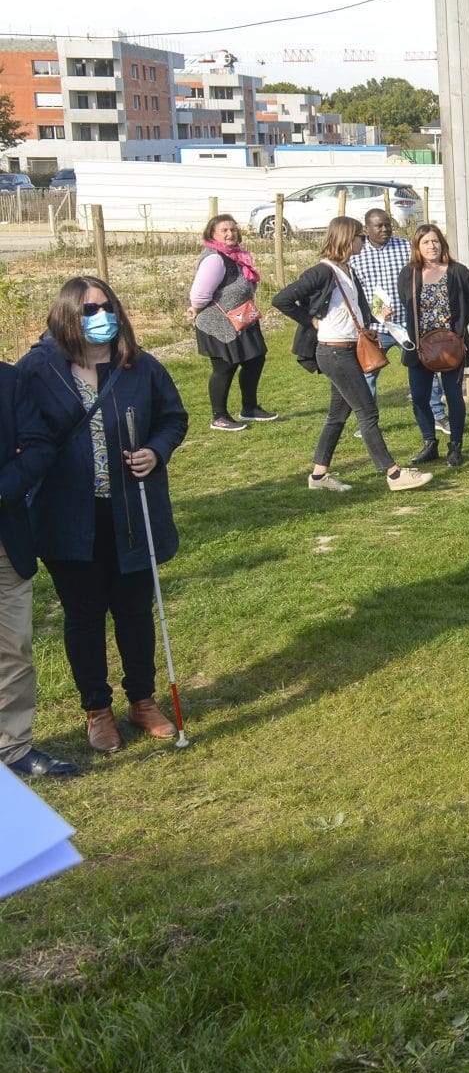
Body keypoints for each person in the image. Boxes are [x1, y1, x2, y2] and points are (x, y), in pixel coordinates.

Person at [17, 278, 188, 754]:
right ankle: (97, 708)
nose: (100, 315)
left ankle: (143, 700)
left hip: (132, 511)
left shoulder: (141, 367)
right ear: (67, 315)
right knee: (84, 614)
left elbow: (174, 418)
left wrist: (156, 450)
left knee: (135, 610)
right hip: (68, 517)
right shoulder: (36, 371)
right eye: (89, 308)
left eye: (107, 306)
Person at [272, 217, 432, 493]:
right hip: (334, 352)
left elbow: (358, 305)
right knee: (367, 410)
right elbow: (281, 299)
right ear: (348, 239)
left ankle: (319, 476)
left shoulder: (347, 269)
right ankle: (393, 475)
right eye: (360, 236)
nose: (364, 240)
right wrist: (311, 320)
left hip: (347, 349)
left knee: (337, 414)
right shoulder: (323, 271)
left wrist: (379, 313)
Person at [0, 358, 65, 777]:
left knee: (12, 646)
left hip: (5, 537)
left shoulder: (8, 379)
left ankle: (13, 747)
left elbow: (39, 445)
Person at [393, 224, 469, 469]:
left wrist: (455, 335)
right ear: (417, 247)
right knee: (419, 397)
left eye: (435, 241)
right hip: (419, 347)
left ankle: (456, 446)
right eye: (426, 242)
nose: (432, 246)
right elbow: (406, 303)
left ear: (442, 243)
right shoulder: (409, 273)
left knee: (453, 396)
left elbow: (468, 304)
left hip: (450, 346)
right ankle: (429, 442)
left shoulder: (458, 272)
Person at [187, 214, 277, 432]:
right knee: (224, 367)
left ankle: (250, 408)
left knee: (255, 359)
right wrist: (196, 309)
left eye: (233, 230)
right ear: (212, 234)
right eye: (224, 230)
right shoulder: (214, 259)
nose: (230, 234)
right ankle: (219, 417)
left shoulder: (236, 256)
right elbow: (199, 294)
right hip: (219, 323)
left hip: (242, 318)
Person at [350, 207, 436, 429]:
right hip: (376, 325)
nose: (385, 229)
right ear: (366, 229)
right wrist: (376, 311)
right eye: (379, 226)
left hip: (408, 323)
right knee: (368, 373)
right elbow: (356, 291)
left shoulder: (405, 247)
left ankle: (437, 414)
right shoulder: (357, 254)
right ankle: (367, 424)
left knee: (425, 366)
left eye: (388, 224)